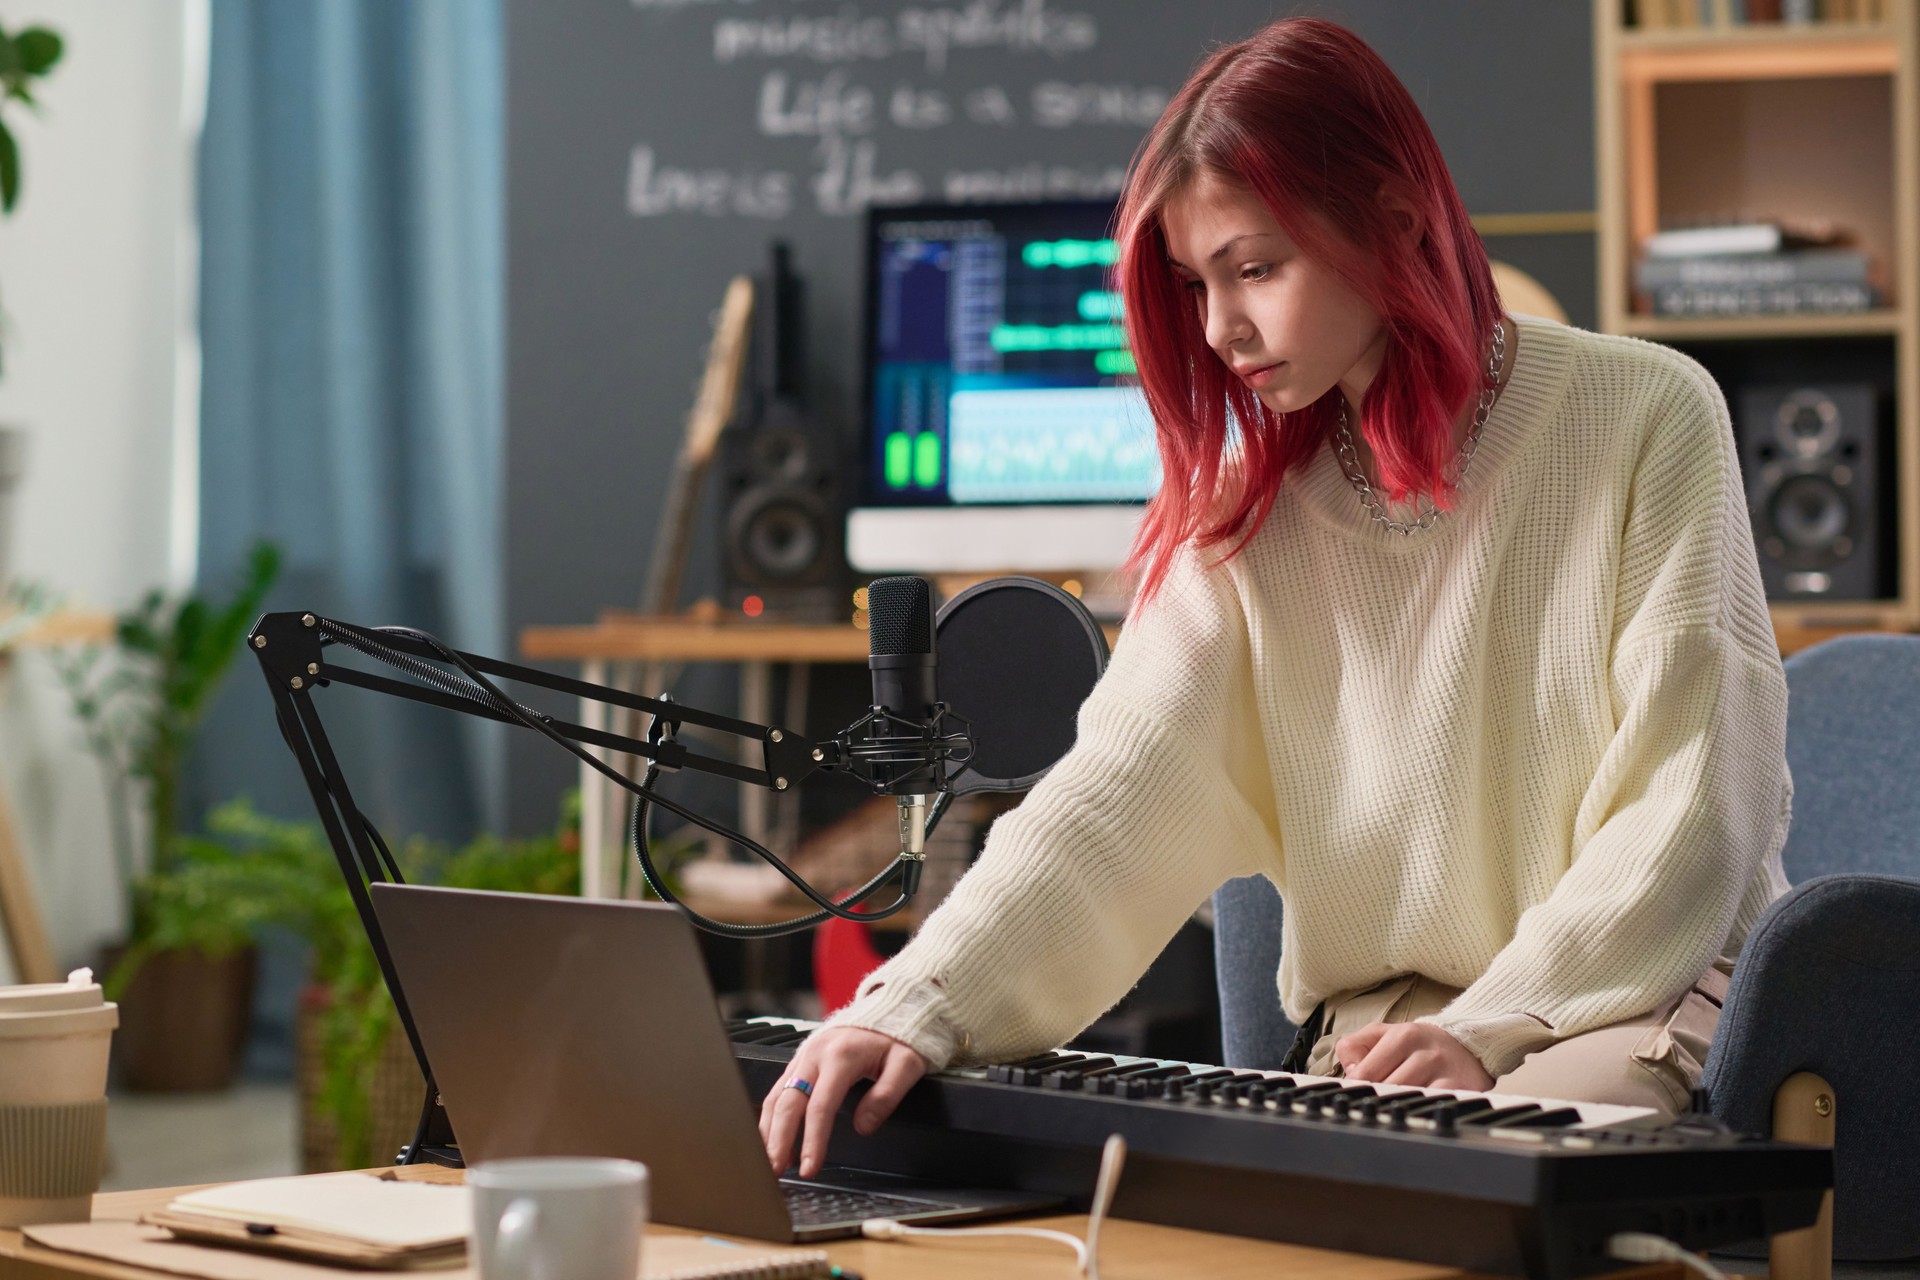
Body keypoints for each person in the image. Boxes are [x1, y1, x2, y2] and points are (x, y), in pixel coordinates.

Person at [761, 15, 1792, 1180]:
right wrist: (912, 1002)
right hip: (1388, 1028)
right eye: (1197, 282)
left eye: (1256, 268)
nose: (1219, 327)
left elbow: (1691, 807)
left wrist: (1490, 1025)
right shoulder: (1249, 511)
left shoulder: (1648, 414)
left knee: (1473, 1195)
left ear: (1398, 220)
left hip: (1624, 990)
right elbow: (1107, 805)